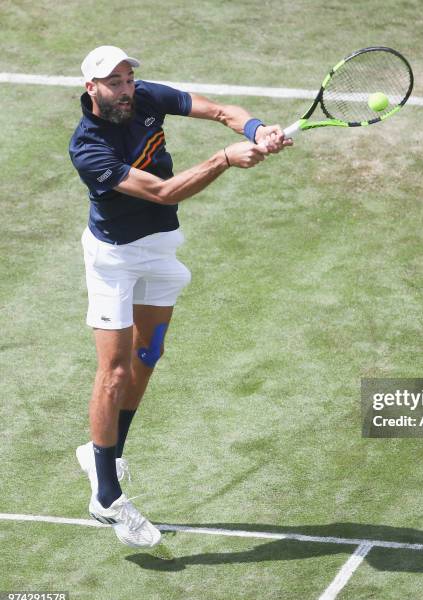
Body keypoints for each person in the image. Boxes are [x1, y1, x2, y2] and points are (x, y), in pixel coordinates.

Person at [69, 45, 291, 548]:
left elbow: (219, 111)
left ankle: (104, 451)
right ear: (92, 89)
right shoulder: (88, 148)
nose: (125, 89)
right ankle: (106, 496)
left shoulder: (148, 97)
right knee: (115, 369)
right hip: (114, 259)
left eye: (128, 79)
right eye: (114, 82)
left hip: (160, 247)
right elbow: (163, 192)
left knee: (149, 352)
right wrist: (224, 159)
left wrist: (255, 129)